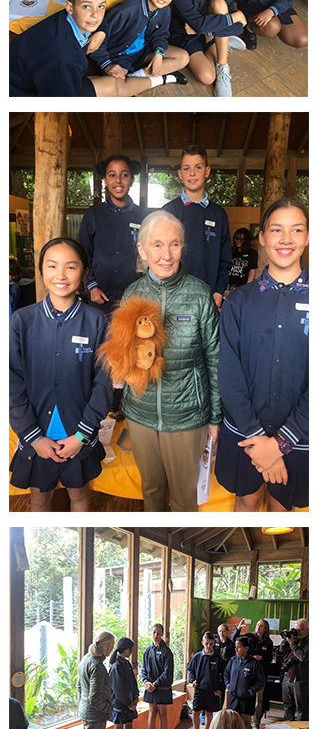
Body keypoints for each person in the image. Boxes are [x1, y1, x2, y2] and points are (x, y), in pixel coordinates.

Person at [103, 210, 222, 511]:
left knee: (185, 496)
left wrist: (215, 417)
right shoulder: (132, 294)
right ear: (142, 250)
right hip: (140, 414)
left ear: (183, 247)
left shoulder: (199, 295)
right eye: (157, 245)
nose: (166, 255)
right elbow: (123, 357)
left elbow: (215, 359)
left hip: (187, 416)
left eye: (174, 244)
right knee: (151, 489)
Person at [215, 197, 309, 512]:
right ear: (263, 238)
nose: (286, 239)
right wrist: (258, 441)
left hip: (301, 434)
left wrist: (281, 443)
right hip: (244, 430)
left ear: (308, 237)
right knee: (247, 498)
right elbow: (229, 373)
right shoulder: (238, 302)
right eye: (276, 230)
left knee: (283, 507)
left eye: (296, 230)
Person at [9, 238, 112, 512]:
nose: (61, 275)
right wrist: (33, 437)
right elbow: (10, 382)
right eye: (52, 266)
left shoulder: (97, 322)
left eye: (71, 267)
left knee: (79, 495)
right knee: (39, 498)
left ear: (83, 273)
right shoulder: (21, 321)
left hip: (78, 434)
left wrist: (81, 436)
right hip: (37, 435)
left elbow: (103, 382)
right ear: (41, 270)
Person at [87, 0, 189, 94]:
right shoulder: (126, 10)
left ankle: (132, 80)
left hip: (144, 51)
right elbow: (99, 39)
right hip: (119, 55)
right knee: (114, 88)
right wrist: (107, 65)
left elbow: (160, 35)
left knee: (183, 57)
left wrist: (159, 53)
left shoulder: (165, 10)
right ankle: (160, 79)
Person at [9, 0, 109, 97]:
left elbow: (98, 18)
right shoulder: (65, 59)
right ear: (70, 7)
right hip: (20, 93)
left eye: (101, 6)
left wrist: (101, 32)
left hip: (26, 73)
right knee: (113, 86)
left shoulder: (66, 17)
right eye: (86, 6)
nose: (95, 14)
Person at [170, 0, 246, 97]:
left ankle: (223, 66)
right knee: (208, 77)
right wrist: (236, 16)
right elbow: (200, 23)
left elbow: (239, 27)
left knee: (219, 4)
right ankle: (223, 40)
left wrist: (202, 29)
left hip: (206, 32)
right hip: (187, 35)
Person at [78, 155, 148, 319]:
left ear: (131, 180)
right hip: (100, 298)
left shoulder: (144, 217)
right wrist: (92, 286)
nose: (118, 181)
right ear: (105, 180)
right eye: (112, 175)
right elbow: (82, 255)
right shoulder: (93, 215)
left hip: (135, 299)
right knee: (100, 342)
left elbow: (151, 256)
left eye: (124, 175)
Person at [163, 145, 232, 310]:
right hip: (173, 299)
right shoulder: (168, 211)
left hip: (208, 299)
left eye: (198, 167)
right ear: (180, 174)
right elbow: (159, 256)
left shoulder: (219, 214)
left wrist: (219, 291)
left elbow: (225, 259)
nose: (192, 173)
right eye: (186, 169)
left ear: (207, 171)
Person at [231, 618, 274, 729]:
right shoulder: (250, 637)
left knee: (258, 701)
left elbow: (270, 659)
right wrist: (238, 628)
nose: (258, 627)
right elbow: (235, 639)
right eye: (257, 625)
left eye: (261, 626)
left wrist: (262, 657)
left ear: (265, 629)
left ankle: (255, 723)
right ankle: (240, 722)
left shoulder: (268, 642)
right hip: (246, 675)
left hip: (260, 675)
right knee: (244, 698)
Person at [186, 631, 224, 729]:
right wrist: (193, 680)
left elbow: (223, 675)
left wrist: (220, 689)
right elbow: (190, 669)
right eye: (206, 643)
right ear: (203, 643)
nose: (209, 646)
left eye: (211, 644)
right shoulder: (197, 656)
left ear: (214, 644)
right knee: (195, 712)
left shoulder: (218, 659)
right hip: (199, 690)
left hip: (212, 691)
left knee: (209, 714)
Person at [77, 630, 115, 729]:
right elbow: (94, 698)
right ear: (108, 646)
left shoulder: (86, 658)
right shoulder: (97, 666)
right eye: (112, 645)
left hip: (86, 712)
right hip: (95, 715)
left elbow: (79, 686)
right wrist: (108, 709)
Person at [224, 637, 265, 729]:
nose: (236, 650)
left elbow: (261, 682)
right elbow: (226, 674)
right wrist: (229, 685)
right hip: (233, 697)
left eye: (239, 647)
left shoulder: (254, 664)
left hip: (247, 698)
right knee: (232, 721)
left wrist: (250, 692)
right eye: (235, 647)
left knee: (246, 722)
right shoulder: (233, 660)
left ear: (246, 648)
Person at [141, 623, 174, 729]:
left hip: (162, 687)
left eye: (158, 633)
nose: (156, 635)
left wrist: (155, 683)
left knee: (163, 714)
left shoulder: (167, 651)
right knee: (152, 713)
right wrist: (145, 682)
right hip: (150, 688)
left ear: (162, 635)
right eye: (154, 632)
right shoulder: (147, 651)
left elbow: (167, 672)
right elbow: (143, 669)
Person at [109, 637, 140, 729]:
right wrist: (128, 704)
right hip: (120, 704)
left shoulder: (126, 663)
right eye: (131, 649)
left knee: (129, 727)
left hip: (130, 702)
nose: (131, 652)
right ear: (126, 650)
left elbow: (133, 682)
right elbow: (118, 689)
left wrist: (136, 697)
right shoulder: (116, 666)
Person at [278, 619, 309, 721]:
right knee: (287, 706)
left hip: (300, 679)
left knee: (301, 708)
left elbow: (302, 657)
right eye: (296, 629)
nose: (298, 632)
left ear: (308, 629)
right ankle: (287, 728)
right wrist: (285, 639)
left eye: (301, 629)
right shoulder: (294, 639)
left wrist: (292, 643)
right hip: (287, 677)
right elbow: (281, 652)